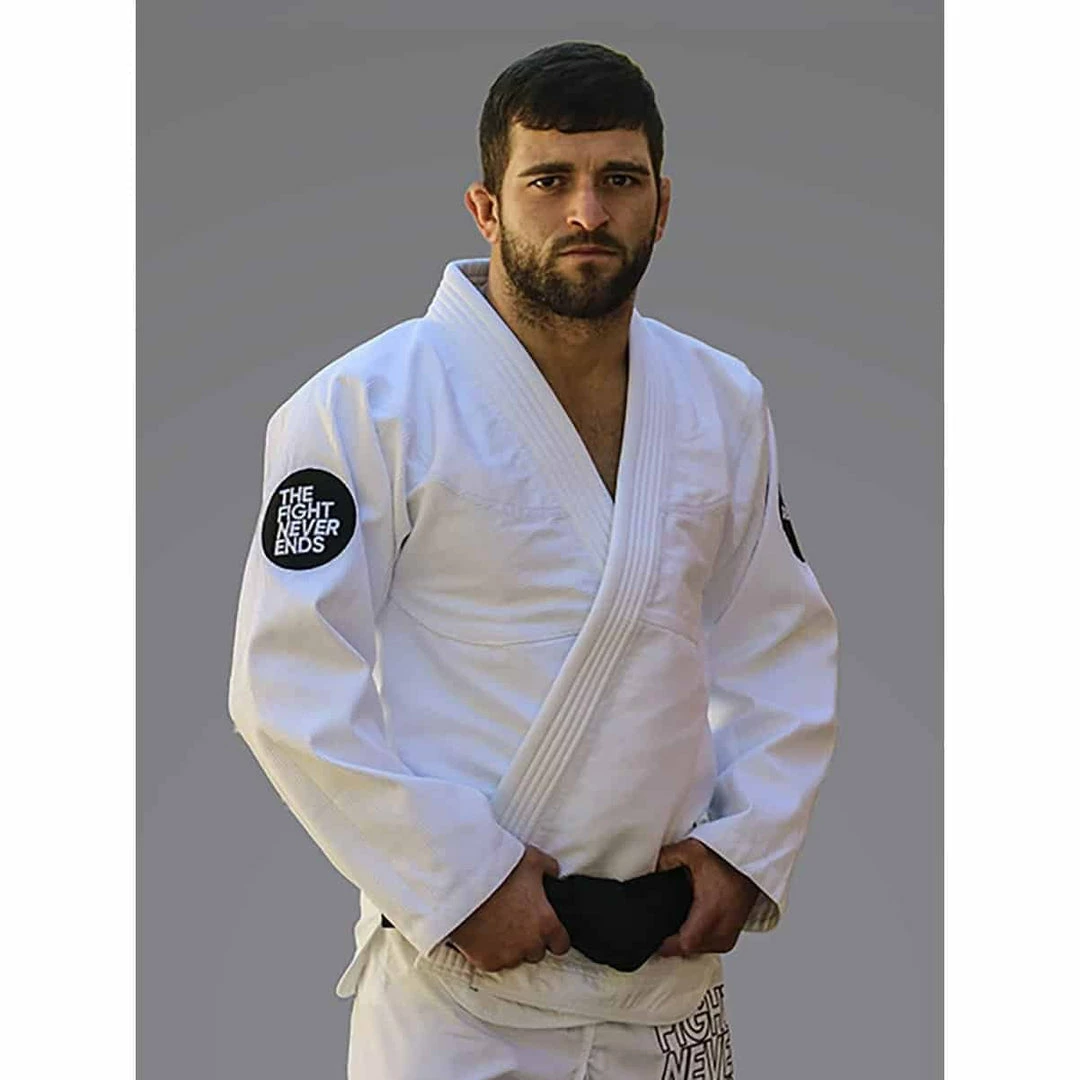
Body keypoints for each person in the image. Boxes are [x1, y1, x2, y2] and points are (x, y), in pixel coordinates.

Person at [227, 40, 838, 1079]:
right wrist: (455, 883)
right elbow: (285, 678)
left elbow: (782, 641)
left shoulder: (722, 401)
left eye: (620, 180)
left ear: (663, 204)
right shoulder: (366, 405)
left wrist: (746, 849)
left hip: (668, 977)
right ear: (486, 207)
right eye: (549, 180)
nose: (587, 212)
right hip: (459, 991)